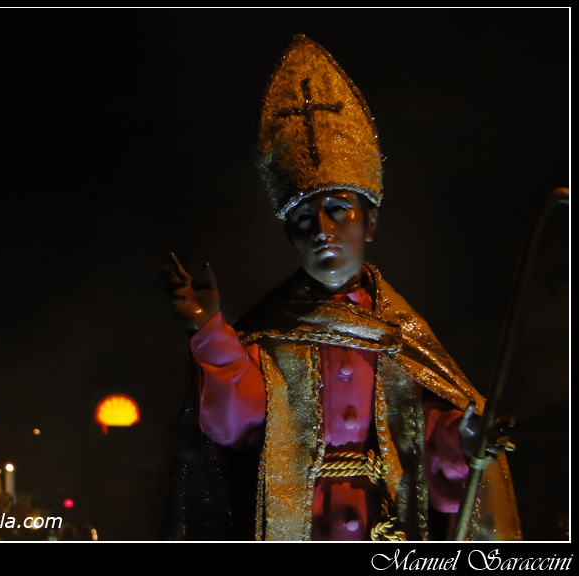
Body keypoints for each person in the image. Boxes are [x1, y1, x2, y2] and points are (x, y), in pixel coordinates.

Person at [164, 34, 520, 541]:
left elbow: (425, 442)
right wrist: (209, 331)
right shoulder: (274, 335)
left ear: (369, 221)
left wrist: (463, 440)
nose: (323, 230)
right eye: (304, 220)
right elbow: (235, 426)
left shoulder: (400, 338)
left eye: (338, 210)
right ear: (291, 239)